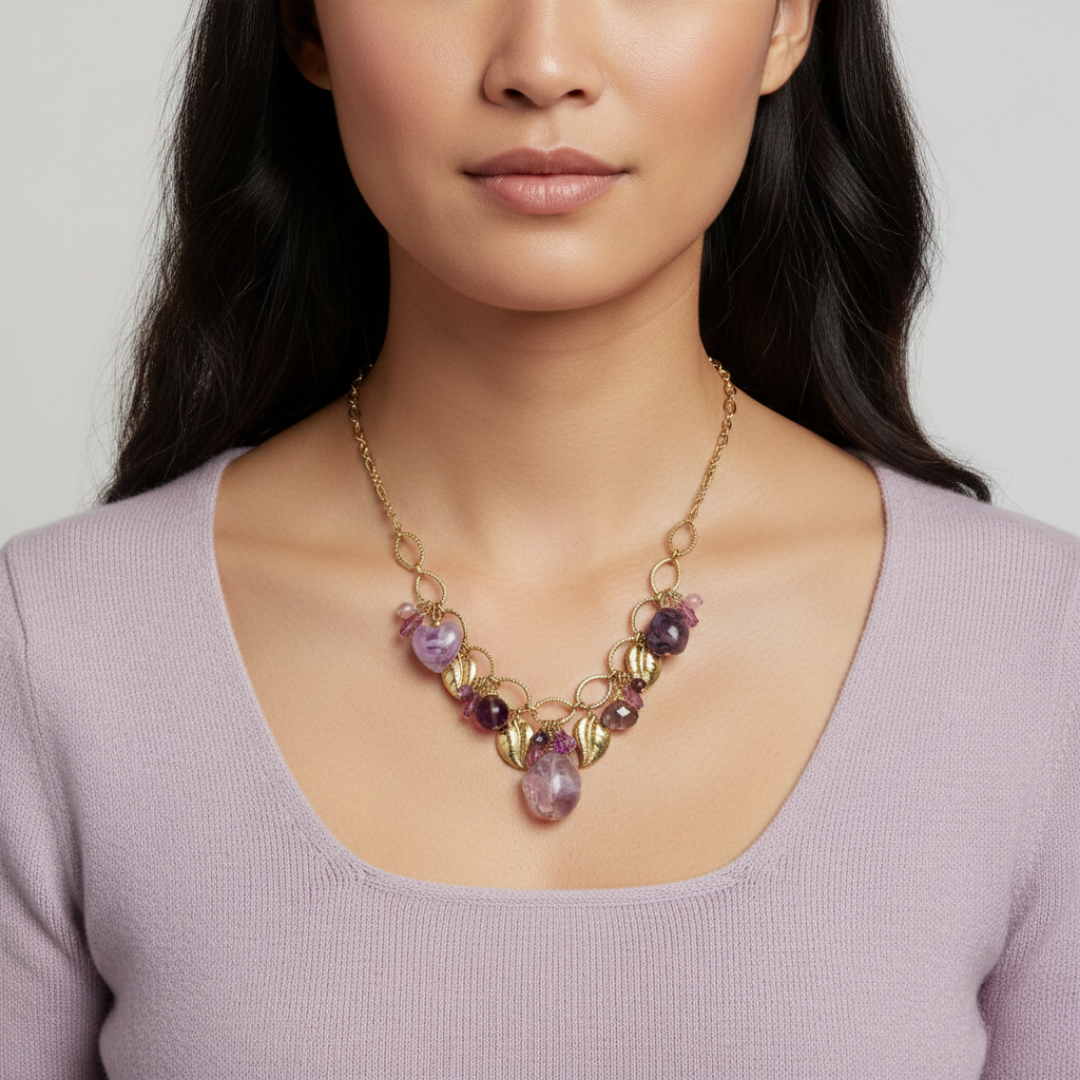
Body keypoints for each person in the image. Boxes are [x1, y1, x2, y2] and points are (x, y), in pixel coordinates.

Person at [1, 0, 1076, 1075]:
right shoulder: (57, 653)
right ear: (304, 26)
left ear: (791, 20)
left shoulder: (1033, 651)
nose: (543, 64)